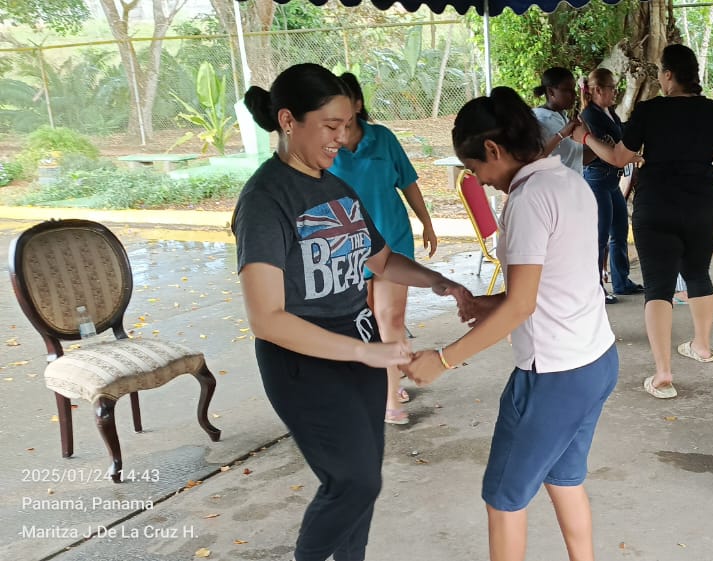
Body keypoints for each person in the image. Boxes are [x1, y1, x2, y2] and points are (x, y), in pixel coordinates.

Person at [233, 63, 469, 561]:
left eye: (346, 126)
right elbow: (267, 318)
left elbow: (380, 260)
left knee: (366, 482)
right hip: (304, 360)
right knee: (351, 482)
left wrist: (440, 281)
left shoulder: (336, 188)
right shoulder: (265, 200)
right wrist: (365, 352)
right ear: (289, 120)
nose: (342, 138)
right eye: (330, 126)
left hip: (357, 350)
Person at [402, 86, 618, 561]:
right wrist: (488, 303)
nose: (479, 181)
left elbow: (523, 307)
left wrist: (443, 359)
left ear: (494, 150)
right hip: (596, 361)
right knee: (565, 481)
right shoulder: (568, 181)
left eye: (477, 169)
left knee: (503, 500)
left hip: (552, 378)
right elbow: (554, 280)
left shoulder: (527, 199)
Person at [576, 44, 713, 399]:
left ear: (669, 74)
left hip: (656, 205)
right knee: (698, 273)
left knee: (658, 286)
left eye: (660, 71)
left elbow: (616, 157)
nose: (659, 76)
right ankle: (701, 346)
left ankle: (663, 374)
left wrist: (583, 136)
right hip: (703, 205)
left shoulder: (649, 111)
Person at [328, 72, 440, 425]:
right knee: (364, 322)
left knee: (390, 319)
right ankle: (382, 379)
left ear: (358, 105)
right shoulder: (325, 147)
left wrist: (427, 222)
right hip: (346, 248)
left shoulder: (383, 139)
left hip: (392, 242)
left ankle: (391, 399)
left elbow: (408, 183)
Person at [579, 68, 644, 302]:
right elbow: (609, 147)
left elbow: (619, 137)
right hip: (597, 178)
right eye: (611, 88)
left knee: (618, 231)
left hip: (611, 179)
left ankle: (621, 280)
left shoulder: (608, 113)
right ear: (597, 90)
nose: (615, 92)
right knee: (600, 236)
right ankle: (595, 287)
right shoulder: (590, 117)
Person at [533, 67, 586, 174]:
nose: (574, 95)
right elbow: (533, 161)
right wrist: (561, 135)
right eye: (568, 90)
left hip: (575, 188)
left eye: (574, 90)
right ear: (551, 91)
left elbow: (577, 160)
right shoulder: (539, 121)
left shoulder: (565, 117)